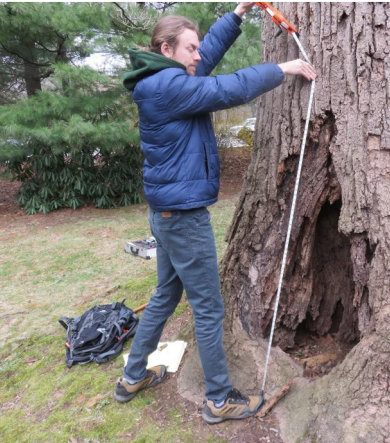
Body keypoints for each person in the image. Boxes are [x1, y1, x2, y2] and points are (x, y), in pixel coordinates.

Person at [115, 2, 316, 424]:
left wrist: (239, 13)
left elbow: (208, 61)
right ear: (166, 49)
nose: (197, 56)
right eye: (190, 49)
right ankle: (220, 399)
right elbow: (228, 88)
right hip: (184, 219)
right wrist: (284, 69)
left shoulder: (162, 79)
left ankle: (133, 376)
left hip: (168, 215)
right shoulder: (168, 87)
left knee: (165, 296)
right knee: (207, 310)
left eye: (197, 48)